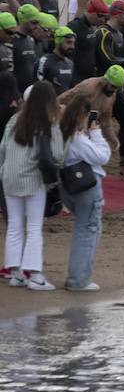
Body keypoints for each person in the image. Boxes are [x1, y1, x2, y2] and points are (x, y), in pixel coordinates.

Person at [0, 81, 63, 291]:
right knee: (34, 227)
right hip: (33, 180)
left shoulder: (14, 120)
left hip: (9, 178)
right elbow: (57, 156)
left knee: (15, 226)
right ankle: (35, 275)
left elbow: (2, 149)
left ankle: (16, 273)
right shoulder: (49, 123)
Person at [57, 94, 109, 292]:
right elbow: (102, 156)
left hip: (68, 187)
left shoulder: (62, 134)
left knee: (85, 230)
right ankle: (79, 280)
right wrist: (95, 133)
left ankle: (79, 278)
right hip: (86, 187)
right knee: (87, 231)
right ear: (85, 116)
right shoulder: (77, 138)